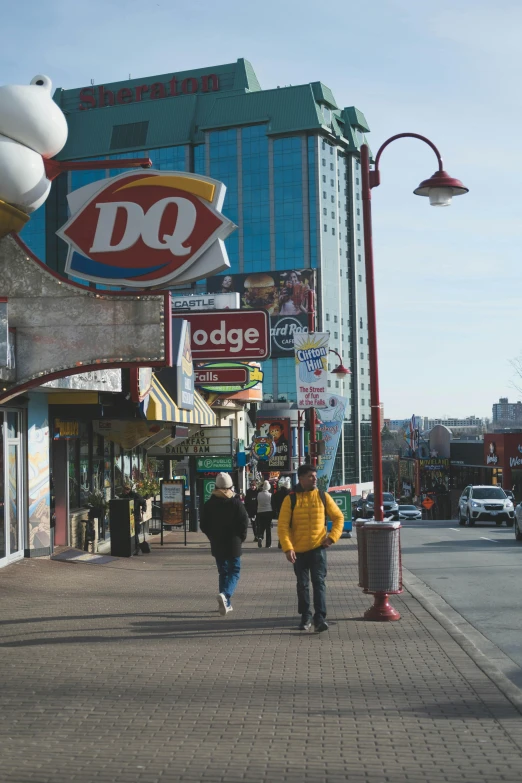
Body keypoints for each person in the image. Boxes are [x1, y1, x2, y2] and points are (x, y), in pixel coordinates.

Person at [278, 464, 344, 633]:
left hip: (317, 548)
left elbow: (338, 517)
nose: (314, 478)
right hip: (298, 551)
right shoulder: (290, 499)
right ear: (300, 478)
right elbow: (283, 526)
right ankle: (305, 616)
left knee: (319, 583)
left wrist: (332, 537)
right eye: (310, 476)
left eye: (314, 476)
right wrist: (288, 548)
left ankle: (320, 618)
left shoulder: (322, 496)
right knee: (302, 585)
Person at [200, 472, 248, 615]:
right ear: (231, 486)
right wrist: (241, 538)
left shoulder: (209, 504)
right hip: (233, 542)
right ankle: (226, 595)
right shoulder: (236, 503)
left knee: (223, 572)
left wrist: (212, 536)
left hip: (217, 542)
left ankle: (226, 602)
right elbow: (244, 522)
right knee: (235, 571)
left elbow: (203, 524)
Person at [120, 484, 147, 553]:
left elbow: (143, 502)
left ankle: (137, 548)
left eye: (127, 489)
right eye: (125, 490)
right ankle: (130, 548)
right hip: (126, 518)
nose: (125, 491)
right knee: (128, 534)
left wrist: (143, 510)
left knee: (135, 534)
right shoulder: (122, 496)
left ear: (129, 489)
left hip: (135, 517)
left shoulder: (136, 496)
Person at [272, 477, 291, 549]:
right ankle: (288, 542)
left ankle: (280, 542)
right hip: (290, 513)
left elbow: (273, 503)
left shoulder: (277, 494)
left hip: (280, 512)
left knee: (282, 528)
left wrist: (275, 512)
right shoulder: (291, 494)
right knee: (289, 528)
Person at [256, 480, 274, 548]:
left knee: (261, 527)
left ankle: (260, 537)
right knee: (268, 529)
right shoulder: (270, 495)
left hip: (260, 512)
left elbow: (256, 503)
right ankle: (268, 544)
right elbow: (272, 504)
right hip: (268, 512)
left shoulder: (258, 494)